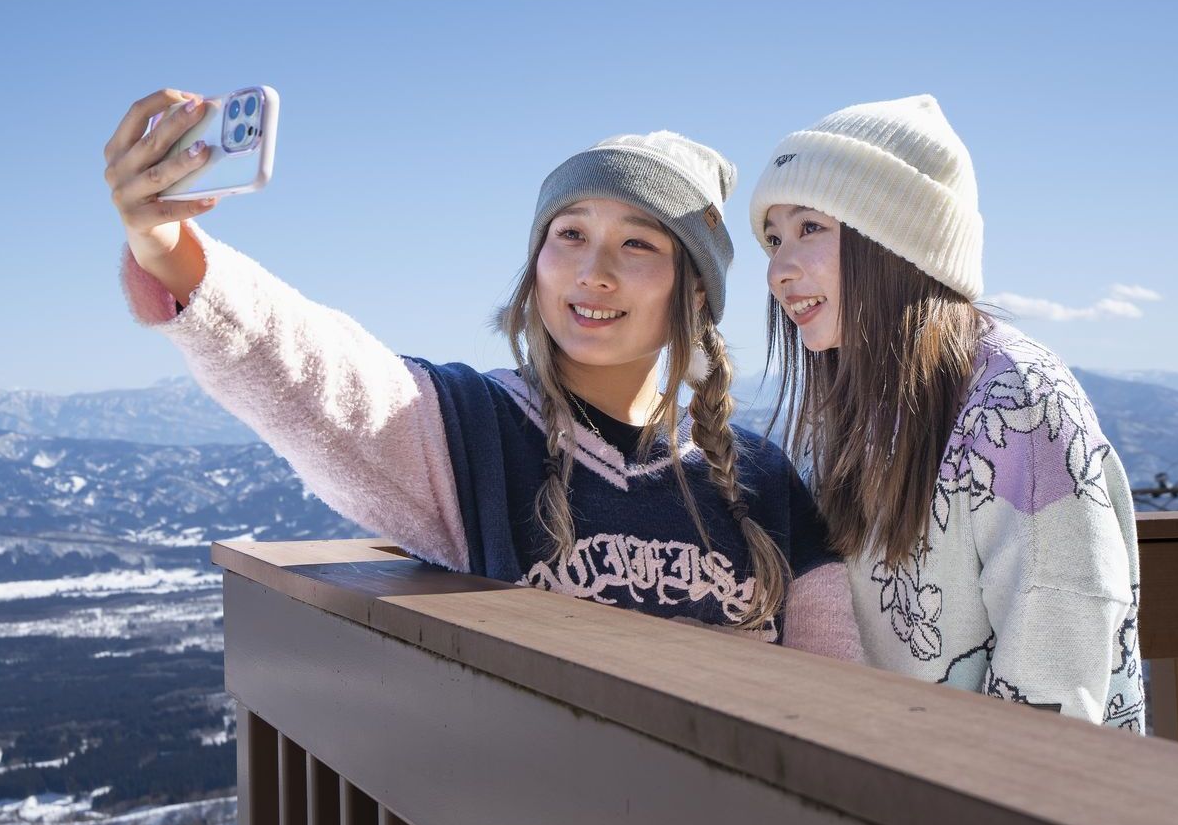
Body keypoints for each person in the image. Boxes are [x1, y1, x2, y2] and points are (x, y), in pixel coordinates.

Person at [106, 89, 859, 653]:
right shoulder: (478, 431)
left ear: (693, 293)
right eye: (571, 234)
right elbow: (320, 376)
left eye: (638, 245)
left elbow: (838, 697)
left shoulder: (762, 483)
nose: (592, 271)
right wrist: (169, 248)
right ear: (536, 264)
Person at [750, 93, 1143, 728]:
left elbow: (1059, 661)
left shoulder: (1017, 402)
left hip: (994, 806)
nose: (777, 270)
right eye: (773, 238)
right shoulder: (861, 407)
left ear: (897, 239)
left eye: (810, 227)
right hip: (885, 786)